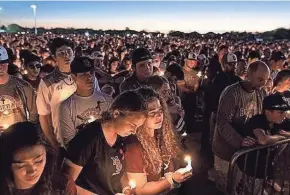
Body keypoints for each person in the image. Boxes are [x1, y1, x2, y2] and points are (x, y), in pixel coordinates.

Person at [62, 90, 147, 195]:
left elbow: (119, 170)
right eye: (132, 125)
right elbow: (66, 184)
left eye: (137, 127)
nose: (134, 131)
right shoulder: (88, 138)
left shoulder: (121, 136)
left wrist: (126, 189)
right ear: (116, 113)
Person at [212, 60, 270, 192]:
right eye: (260, 79)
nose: (264, 83)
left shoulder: (261, 93)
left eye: (266, 80)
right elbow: (222, 123)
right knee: (226, 187)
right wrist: (239, 140)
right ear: (248, 75)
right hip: (226, 152)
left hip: (245, 154)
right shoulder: (232, 93)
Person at [125, 87, 192, 195]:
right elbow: (140, 190)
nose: (159, 115)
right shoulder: (134, 147)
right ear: (138, 115)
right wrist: (172, 180)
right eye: (151, 112)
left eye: (160, 110)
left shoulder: (161, 136)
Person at [0, 121, 77, 195]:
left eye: (39, 161)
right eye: (21, 165)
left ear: (47, 154)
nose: (32, 171)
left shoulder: (62, 186)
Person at [237, 93, 290, 194]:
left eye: (285, 112)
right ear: (268, 112)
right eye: (280, 112)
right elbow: (263, 140)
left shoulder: (281, 121)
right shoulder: (257, 120)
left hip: (265, 167)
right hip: (251, 169)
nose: (284, 115)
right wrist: (280, 137)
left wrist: (286, 134)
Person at [58, 56, 112, 147]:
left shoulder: (107, 100)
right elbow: (69, 141)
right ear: (73, 77)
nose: (89, 77)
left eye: (91, 73)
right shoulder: (66, 106)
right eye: (83, 74)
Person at [0, 46, 38, 132]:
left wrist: (27, 130)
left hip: (20, 136)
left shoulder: (23, 86)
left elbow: (34, 114)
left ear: (8, 63)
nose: (0, 66)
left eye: (3, 62)